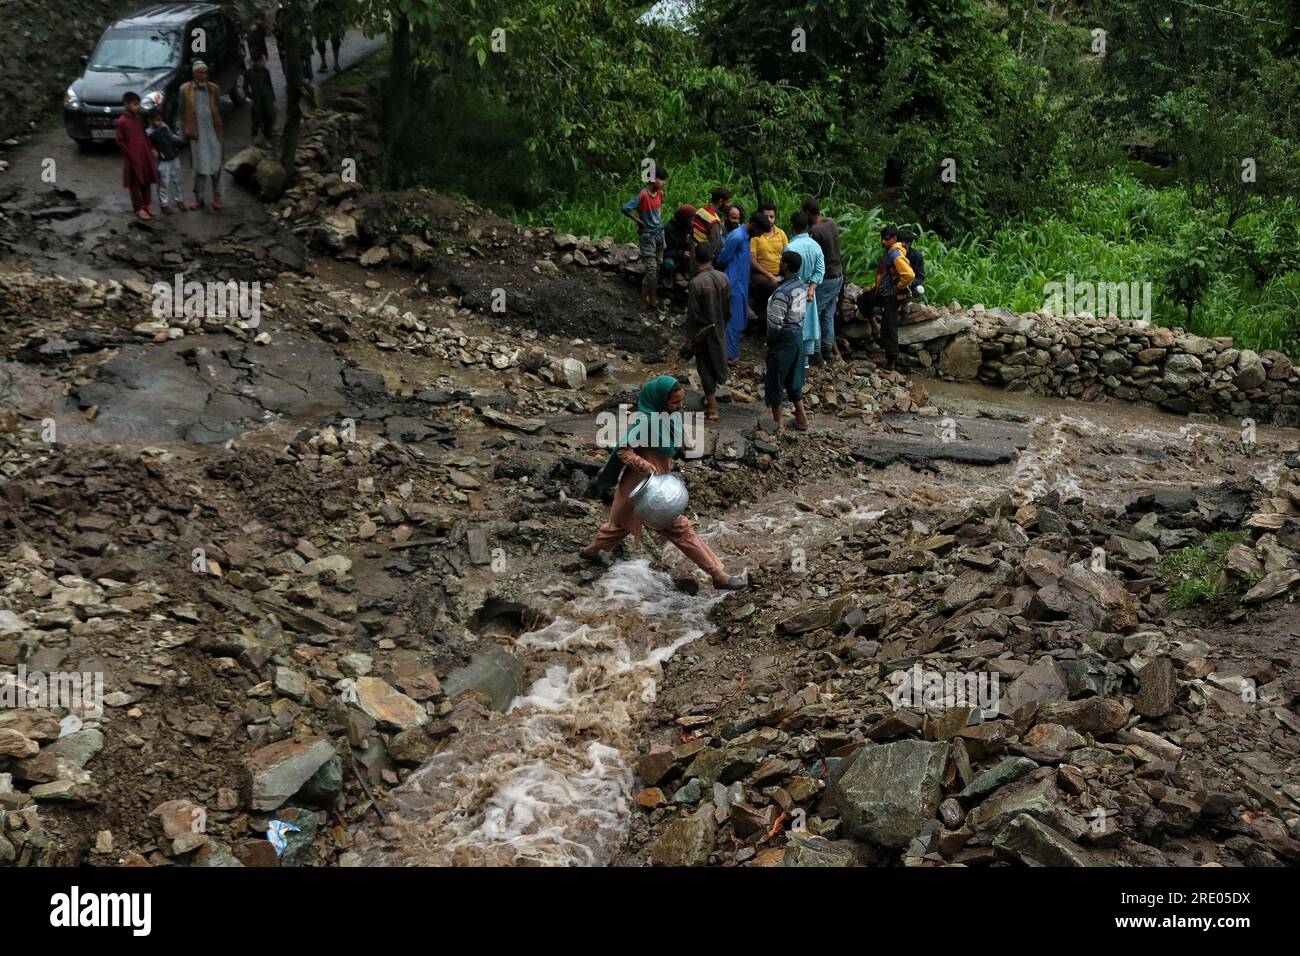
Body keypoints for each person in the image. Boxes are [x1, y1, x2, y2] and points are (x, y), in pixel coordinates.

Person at [583, 375, 746, 590]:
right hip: (644, 490)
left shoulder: (668, 418)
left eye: (681, 402)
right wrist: (643, 465)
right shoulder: (646, 422)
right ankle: (718, 574)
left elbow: (676, 444)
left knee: (618, 528)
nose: (679, 407)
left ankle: (590, 552)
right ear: (660, 401)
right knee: (681, 530)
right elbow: (623, 450)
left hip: (655, 485)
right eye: (674, 403)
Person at [764, 251, 811, 432]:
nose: (779, 263)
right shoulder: (801, 285)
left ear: (785, 266)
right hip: (797, 337)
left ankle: (779, 425)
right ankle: (802, 420)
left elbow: (775, 323)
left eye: (781, 261)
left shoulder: (782, 292)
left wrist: (770, 341)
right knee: (794, 380)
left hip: (783, 341)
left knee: (775, 381)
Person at [683, 242, 730, 421]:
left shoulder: (696, 283)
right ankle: (711, 399)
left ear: (696, 258)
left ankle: (712, 409)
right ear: (712, 258)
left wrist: (689, 337)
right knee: (717, 361)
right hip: (719, 327)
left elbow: (692, 314)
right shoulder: (724, 278)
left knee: (705, 369)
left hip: (703, 332)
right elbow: (727, 305)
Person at [716, 210, 767, 362]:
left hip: (742, 284)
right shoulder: (737, 237)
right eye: (759, 232)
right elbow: (722, 259)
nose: (759, 235)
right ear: (754, 225)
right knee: (733, 320)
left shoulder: (746, 237)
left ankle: (731, 352)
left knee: (739, 319)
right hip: (733, 284)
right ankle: (730, 355)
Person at [804, 197, 845, 363]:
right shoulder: (830, 222)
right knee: (828, 315)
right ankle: (828, 350)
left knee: (816, 314)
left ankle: (817, 352)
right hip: (838, 275)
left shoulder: (815, 231)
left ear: (807, 213)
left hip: (826, 277)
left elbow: (815, 257)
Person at [179, 61, 225, 211]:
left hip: (213, 133)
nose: (203, 75)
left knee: (216, 165)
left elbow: (218, 108)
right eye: (200, 72)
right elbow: (182, 111)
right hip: (196, 134)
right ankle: (199, 198)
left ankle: (217, 197)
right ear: (194, 73)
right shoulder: (185, 89)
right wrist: (184, 130)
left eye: (205, 72)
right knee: (199, 166)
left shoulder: (214, 89)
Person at [622, 165, 667, 309]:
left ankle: (652, 298)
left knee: (658, 266)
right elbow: (625, 208)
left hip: (659, 233)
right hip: (647, 235)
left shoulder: (660, 194)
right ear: (653, 180)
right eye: (661, 180)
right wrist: (638, 220)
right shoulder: (643, 195)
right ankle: (643, 298)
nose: (663, 183)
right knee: (651, 269)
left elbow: (657, 211)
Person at [871, 225, 916, 370]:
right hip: (884, 293)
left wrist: (897, 288)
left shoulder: (895, 254)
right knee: (865, 303)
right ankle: (887, 352)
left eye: (886, 238)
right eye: (882, 238)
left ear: (895, 238)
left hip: (891, 295)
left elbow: (909, 275)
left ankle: (891, 361)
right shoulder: (889, 251)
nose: (883, 241)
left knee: (890, 327)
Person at [786, 212, 824, 366]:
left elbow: (786, 270)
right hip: (809, 291)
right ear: (807, 227)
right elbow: (820, 271)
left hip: (794, 290)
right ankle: (805, 360)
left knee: (793, 324)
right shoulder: (816, 246)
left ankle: (792, 359)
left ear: (793, 227)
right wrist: (812, 289)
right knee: (808, 324)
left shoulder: (790, 246)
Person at [115, 93, 158, 220]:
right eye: (134, 104)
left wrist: (151, 148)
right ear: (126, 104)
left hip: (144, 155)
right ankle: (138, 207)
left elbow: (144, 135)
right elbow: (120, 140)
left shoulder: (139, 119)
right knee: (136, 183)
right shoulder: (122, 121)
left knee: (147, 180)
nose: (137, 107)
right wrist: (129, 153)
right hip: (133, 157)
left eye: (138, 104)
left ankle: (147, 204)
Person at [749, 202, 787, 322]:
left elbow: (786, 255)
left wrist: (783, 275)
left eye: (772, 217)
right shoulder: (756, 235)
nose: (769, 220)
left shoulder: (781, 234)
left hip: (779, 273)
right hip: (760, 273)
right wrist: (770, 276)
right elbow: (752, 261)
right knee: (773, 288)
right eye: (766, 217)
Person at [145, 109, 185, 214]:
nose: (160, 122)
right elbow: (150, 148)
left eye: (161, 120)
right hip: (162, 161)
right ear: (150, 121)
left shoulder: (164, 126)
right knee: (164, 183)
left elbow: (171, 136)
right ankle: (164, 205)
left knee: (178, 180)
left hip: (173, 156)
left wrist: (180, 141)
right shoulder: (148, 133)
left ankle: (179, 200)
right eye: (157, 120)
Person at [691, 188, 730, 261]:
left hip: (693, 250)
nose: (729, 205)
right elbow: (715, 246)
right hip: (703, 258)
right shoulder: (714, 221)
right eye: (727, 202)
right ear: (720, 201)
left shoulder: (701, 210)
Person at [248, 52, 277, 146]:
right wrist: (249, 95)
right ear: (257, 61)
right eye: (262, 61)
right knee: (257, 118)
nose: (264, 62)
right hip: (257, 99)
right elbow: (244, 86)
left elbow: (269, 84)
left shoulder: (265, 71)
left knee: (268, 117)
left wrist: (272, 97)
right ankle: (255, 135)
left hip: (266, 97)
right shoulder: (249, 73)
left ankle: (268, 138)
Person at [662, 204, 696, 281]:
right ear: (684, 219)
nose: (693, 222)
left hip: (683, 258)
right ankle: (670, 274)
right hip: (671, 257)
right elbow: (664, 253)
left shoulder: (687, 227)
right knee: (669, 263)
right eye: (691, 219)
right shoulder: (668, 230)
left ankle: (684, 271)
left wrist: (688, 242)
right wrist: (681, 253)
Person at [313, 0, 346, 72]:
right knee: (320, 42)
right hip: (319, 12)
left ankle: (336, 64)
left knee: (335, 41)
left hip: (332, 10)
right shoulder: (317, 6)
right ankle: (323, 63)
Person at [899, 228, 926, 302]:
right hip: (893, 283)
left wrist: (910, 282)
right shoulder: (892, 252)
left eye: (906, 243)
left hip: (908, 285)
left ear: (909, 244)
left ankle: (906, 302)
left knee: (919, 289)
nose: (903, 245)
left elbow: (920, 276)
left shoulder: (917, 256)